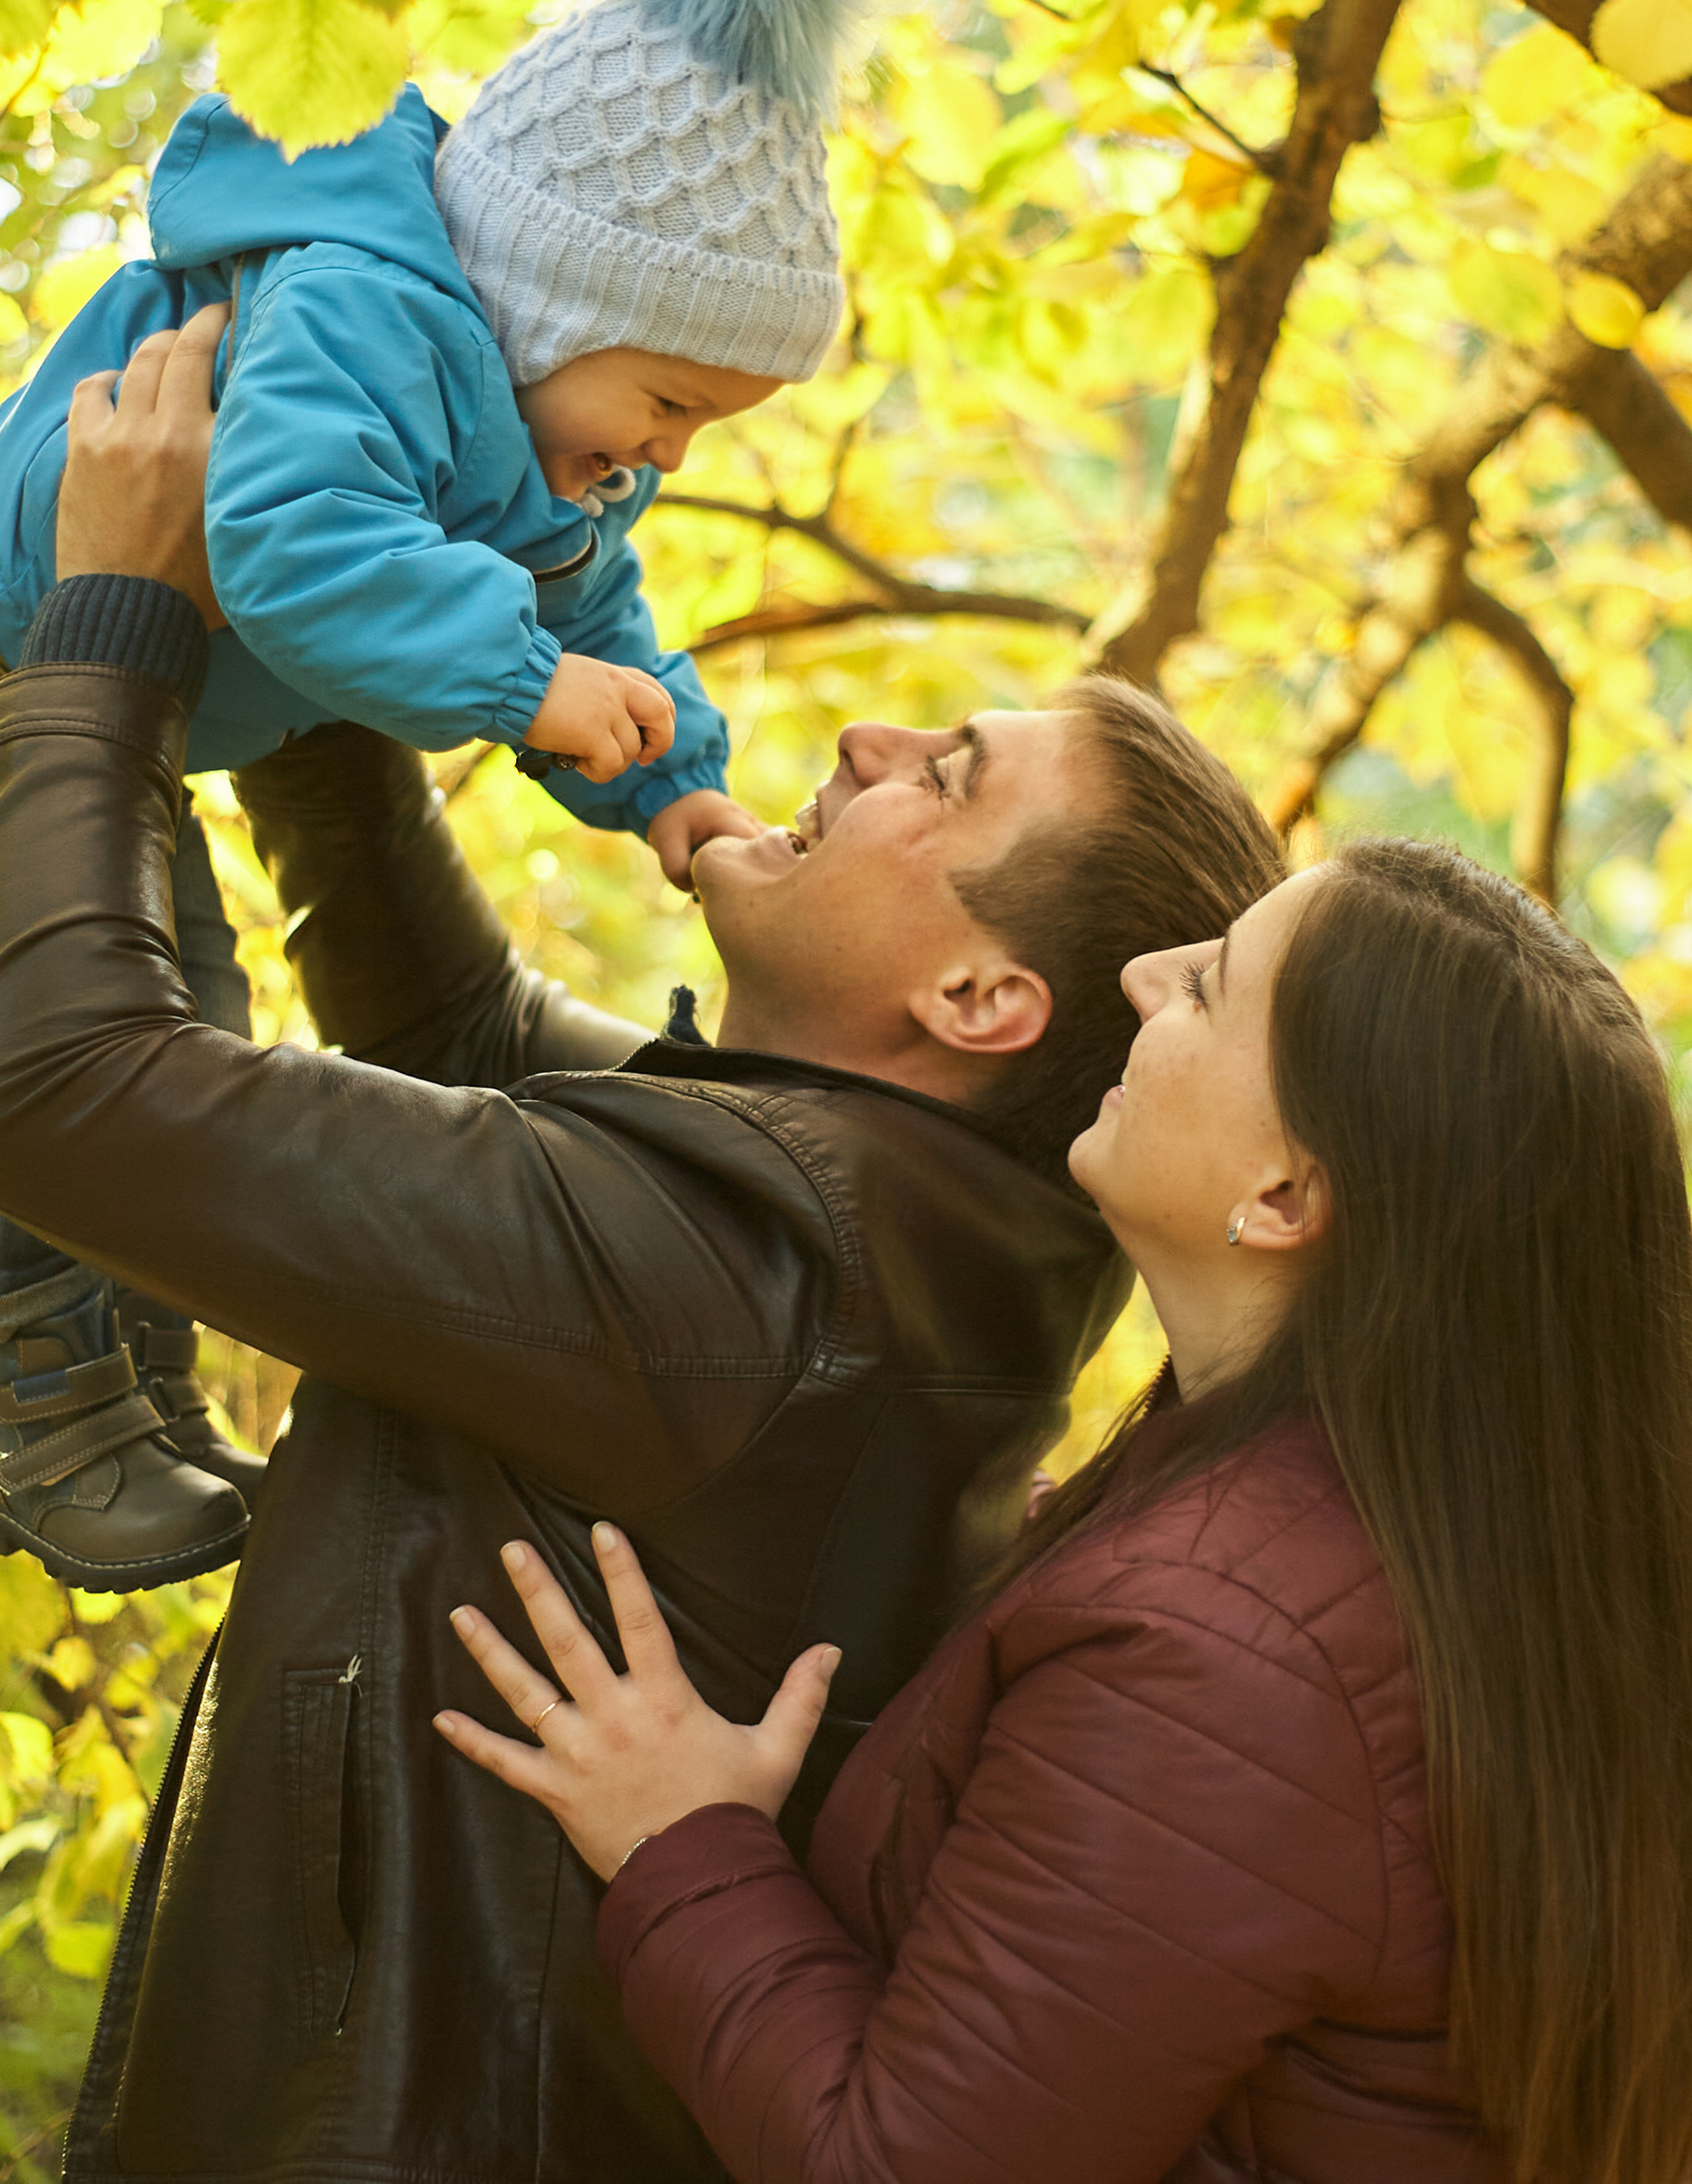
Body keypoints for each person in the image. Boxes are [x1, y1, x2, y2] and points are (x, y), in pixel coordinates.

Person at [0, 315, 1285, 2183]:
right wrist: (332, 577)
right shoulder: (895, 1219)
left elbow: (60, 1083)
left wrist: (114, 616)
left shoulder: (752, 1273)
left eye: (944, 776)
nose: (866, 739)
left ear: (976, 997)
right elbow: (454, 1034)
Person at [444, 845, 1692, 2184]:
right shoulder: (1394, 1537)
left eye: (1208, 987)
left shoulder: (1222, 1662)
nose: (1144, 976)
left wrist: (679, 1842)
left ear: (1282, 1197)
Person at [0, 0, 884, 1588]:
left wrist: (672, 781)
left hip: (128, 725)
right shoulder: (368, 312)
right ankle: (41, 1398)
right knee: (68, 1039)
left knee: (185, 1013)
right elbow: (289, 547)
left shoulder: (538, 437)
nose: (667, 452)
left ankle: (134, 1372)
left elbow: (589, 604)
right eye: (669, 400)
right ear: (553, 301)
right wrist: (527, 688)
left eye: (703, 428)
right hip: (33, 676)